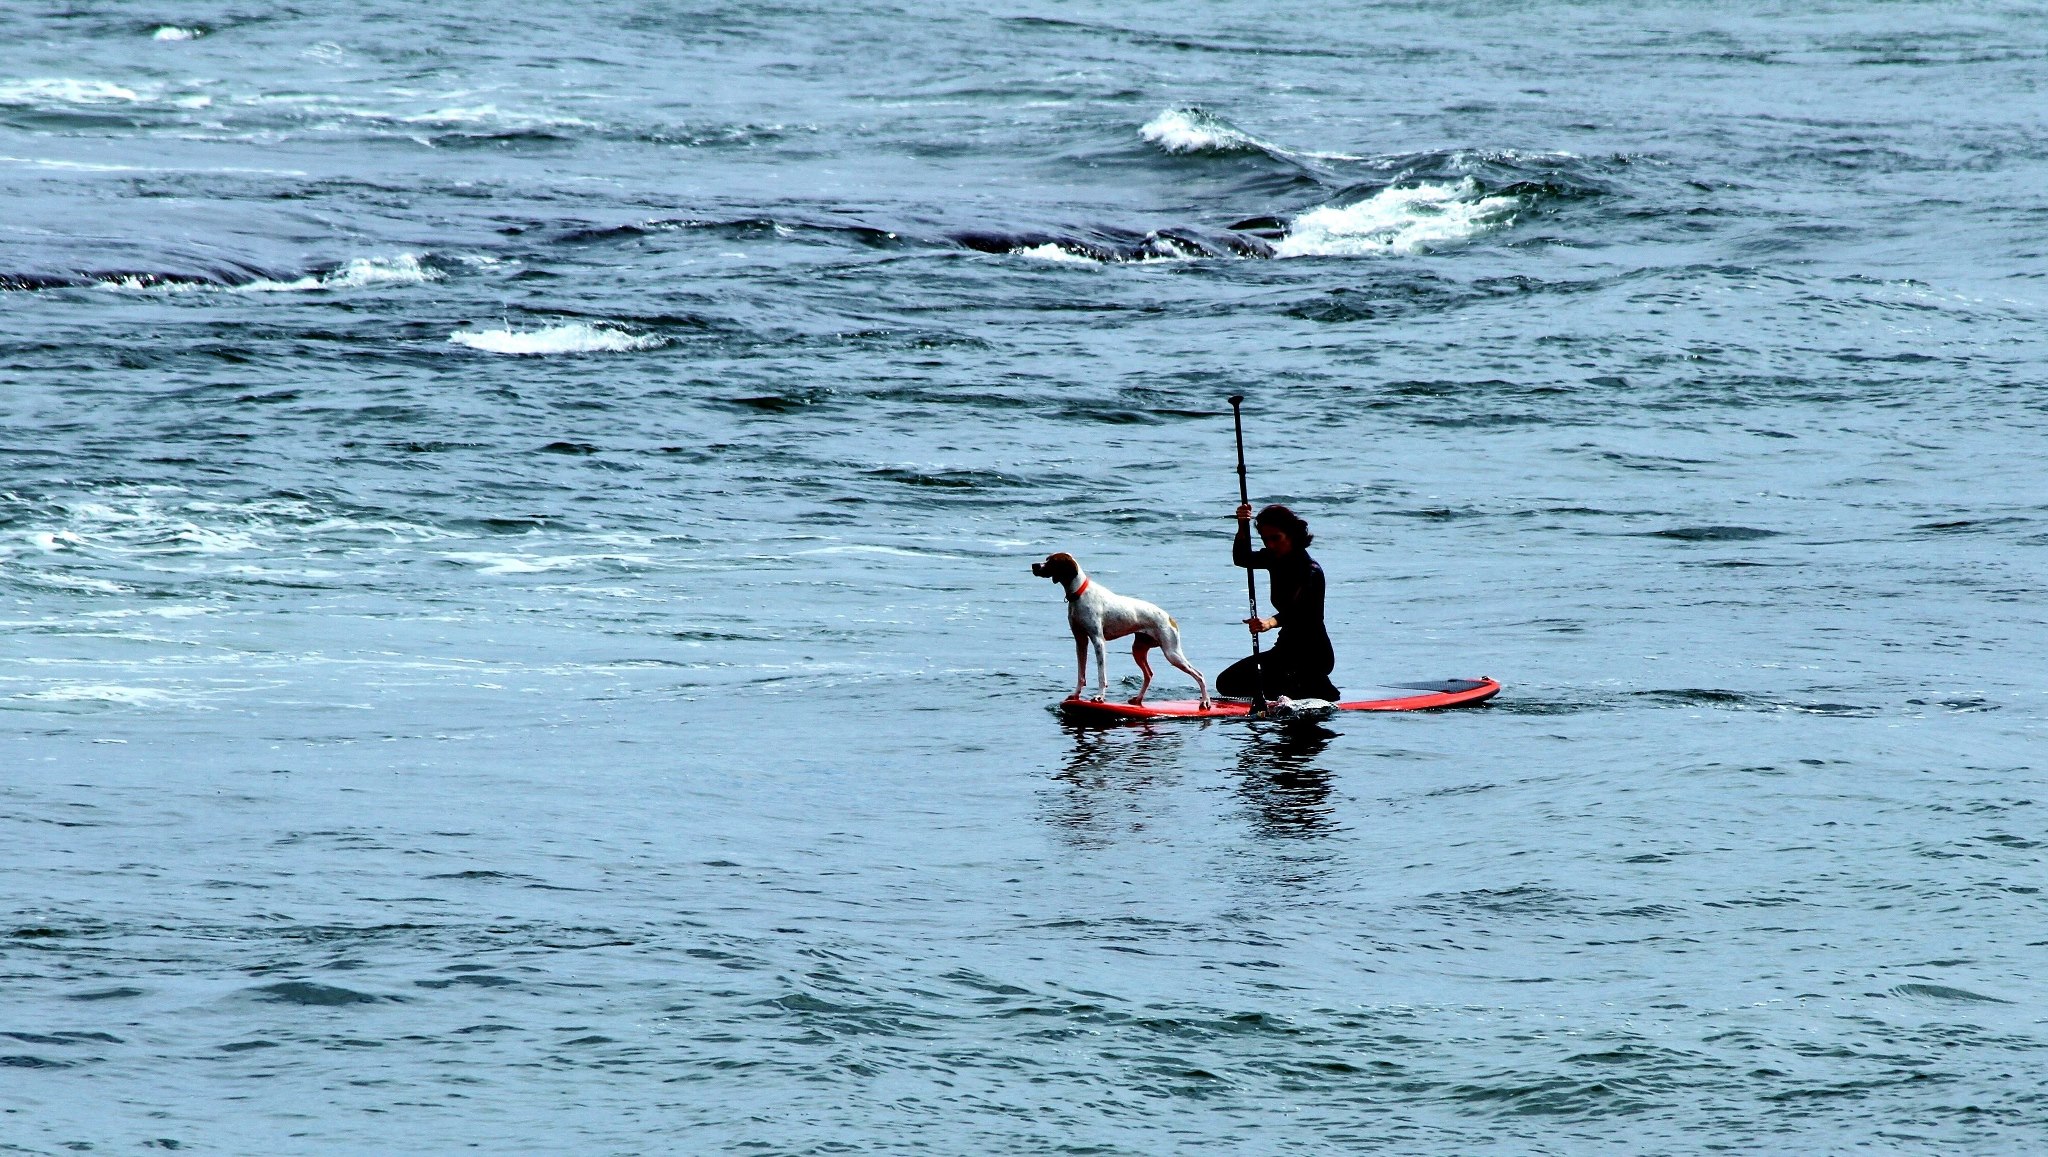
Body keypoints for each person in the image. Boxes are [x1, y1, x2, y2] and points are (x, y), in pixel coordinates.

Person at [1219, 502, 1340, 702]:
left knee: (1279, 686)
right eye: (1265, 540)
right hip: (1285, 651)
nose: (1270, 545)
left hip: (1313, 655)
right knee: (1226, 683)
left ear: (1291, 534)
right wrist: (1242, 525)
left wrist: (1269, 623)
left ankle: (1320, 690)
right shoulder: (1273, 559)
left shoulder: (1311, 572)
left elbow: (1298, 613)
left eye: (1276, 538)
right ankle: (1296, 687)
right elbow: (1242, 558)